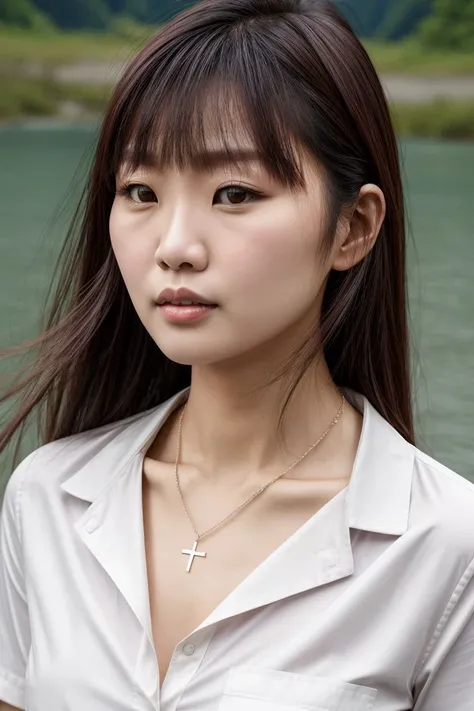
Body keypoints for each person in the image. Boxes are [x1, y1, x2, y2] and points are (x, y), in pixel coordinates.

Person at [1, 0, 474, 709]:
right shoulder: (48, 499)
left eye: (234, 193)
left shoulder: (444, 547)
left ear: (353, 226)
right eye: (140, 191)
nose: (174, 246)